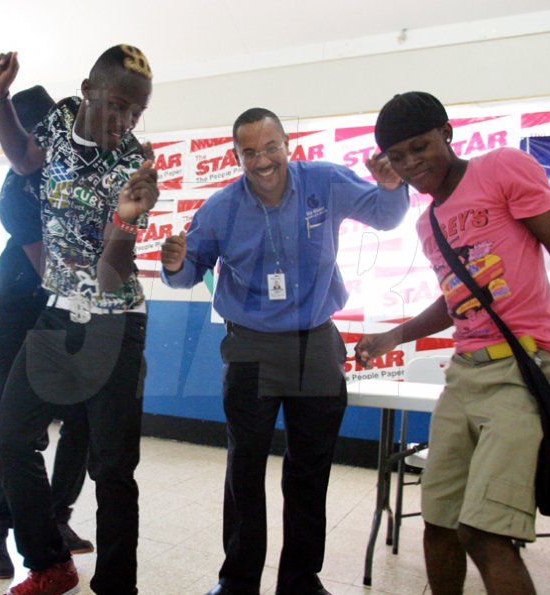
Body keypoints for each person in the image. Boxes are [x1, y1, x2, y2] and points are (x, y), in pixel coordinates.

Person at [160, 107, 409, 595]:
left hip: (315, 341)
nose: (262, 160)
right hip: (251, 346)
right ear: (236, 157)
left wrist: (393, 187)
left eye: (270, 147)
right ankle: (237, 580)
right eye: (249, 152)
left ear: (287, 145)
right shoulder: (220, 208)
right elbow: (188, 271)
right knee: (245, 468)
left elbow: (385, 215)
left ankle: (299, 579)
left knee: (310, 469)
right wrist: (175, 264)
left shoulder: (325, 181)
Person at [355, 91, 550, 595]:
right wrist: (394, 334)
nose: (411, 163)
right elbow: (458, 299)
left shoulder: (502, 168)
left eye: (420, 146)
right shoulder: (427, 223)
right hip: (464, 375)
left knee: (485, 532)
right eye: (397, 156)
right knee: (440, 523)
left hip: (525, 370)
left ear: (446, 134)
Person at [0, 45, 159, 595]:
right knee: (11, 437)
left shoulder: (133, 165)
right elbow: (23, 161)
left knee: (111, 468)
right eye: (115, 105)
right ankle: (50, 562)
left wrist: (128, 221)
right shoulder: (60, 117)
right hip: (57, 311)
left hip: (115, 320)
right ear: (87, 90)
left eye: (135, 112)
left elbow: (111, 276)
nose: (123, 121)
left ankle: (116, 585)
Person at [0, 85, 92, 581]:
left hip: (62, 308)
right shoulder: (14, 193)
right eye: (38, 135)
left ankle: (52, 515)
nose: (49, 142)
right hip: (24, 309)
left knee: (84, 416)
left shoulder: (67, 172)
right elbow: (53, 271)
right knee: (11, 425)